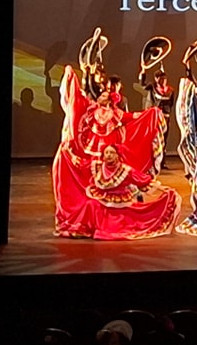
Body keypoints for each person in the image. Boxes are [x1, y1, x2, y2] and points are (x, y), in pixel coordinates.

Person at [52, 64, 174, 239]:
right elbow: (78, 100)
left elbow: (132, 117)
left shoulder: (116, 113)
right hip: (93, 150)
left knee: (115, 180)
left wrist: (151, 113)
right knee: (90, 179)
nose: (101, 97)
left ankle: (113, 218)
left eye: (104, 96)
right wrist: (74, 76)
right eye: (100, 95)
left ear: (109, 100)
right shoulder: (91, 109)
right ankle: (89, 216)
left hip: (109, 148)